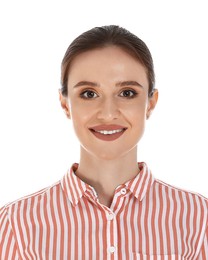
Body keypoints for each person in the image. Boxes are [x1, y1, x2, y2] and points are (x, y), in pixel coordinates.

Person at [0, 25, 207, 259]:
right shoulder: (17, 223)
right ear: (65, 103)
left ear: (150, 102)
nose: (108, 114)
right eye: (89, 93)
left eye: (127, 93)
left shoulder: (198, 217)